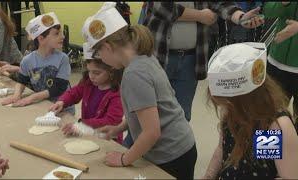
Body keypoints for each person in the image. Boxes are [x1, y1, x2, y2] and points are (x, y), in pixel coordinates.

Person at [82, 3, 197, 179]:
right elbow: (148, 108)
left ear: (107, 47)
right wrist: (119, 127)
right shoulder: (145, 57)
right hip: (182, 147)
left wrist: (123, 159)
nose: (101, 59)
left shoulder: (134, 74)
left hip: (171, 156)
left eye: (98, 53)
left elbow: (152, 132)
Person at [143, 2, 264, 123]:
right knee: (147, 113)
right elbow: (162, 8)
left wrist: (241, 17)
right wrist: (200, 16)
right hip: (157, 57)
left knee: (182, 116)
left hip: (190, 59)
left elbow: (222, 3)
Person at [203, 42, 298, 179]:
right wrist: (208, 176)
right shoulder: (231, 112)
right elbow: (222, 150)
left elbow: (266, 170)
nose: (223, 107)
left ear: (245, 101)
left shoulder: (270, 128)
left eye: (228, 102)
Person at [49, 43, 124, 144]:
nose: (91, 76)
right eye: (89, 71)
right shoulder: (88, 82)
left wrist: (82, 123)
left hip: (108, 138)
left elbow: (111, 121)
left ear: (112, 71)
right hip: (87, 131)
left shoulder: (117, 93)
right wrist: (62, 101)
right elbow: (74, 93)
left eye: (97, 73)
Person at [1, 12, 75, 115]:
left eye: (61, 33)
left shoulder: (63, 59)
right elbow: (22, 81)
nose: (62, 36)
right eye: (57, 33)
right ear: (41, 39)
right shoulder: (27, 60)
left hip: (63, 109)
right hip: (43, 105)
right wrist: (16, 95)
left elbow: (59, 88)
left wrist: (32, 98)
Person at [263, 2, 298, 129]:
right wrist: (283, 4)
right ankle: (268, 149)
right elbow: (267, 10)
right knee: (269, 117)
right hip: (276, 64)